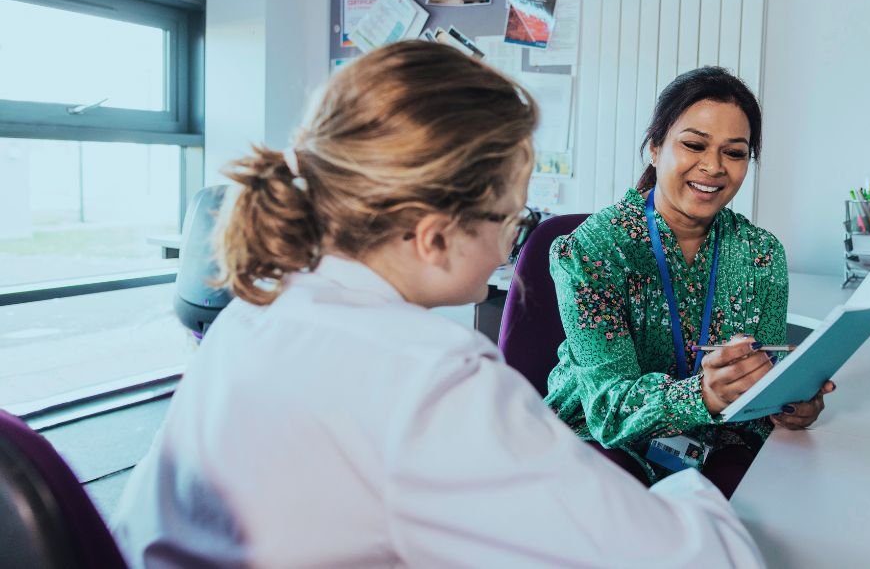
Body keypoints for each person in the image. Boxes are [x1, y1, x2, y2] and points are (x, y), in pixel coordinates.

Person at [110, 43, 763, 568]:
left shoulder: (254, 314)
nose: (518, 235)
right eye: (515, 213)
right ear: (434, 235)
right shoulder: (431, 379)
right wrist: (695, 491)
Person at [545, 67, 836, 497]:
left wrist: (789, 403)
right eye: (694, 145)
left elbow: (758, 391)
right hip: (596, 441)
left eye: (734, 153)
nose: (713, 167)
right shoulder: (592, 252)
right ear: (655, 148)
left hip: (713, 440)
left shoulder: (761, 255)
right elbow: (606, 408)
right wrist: (700, 394)